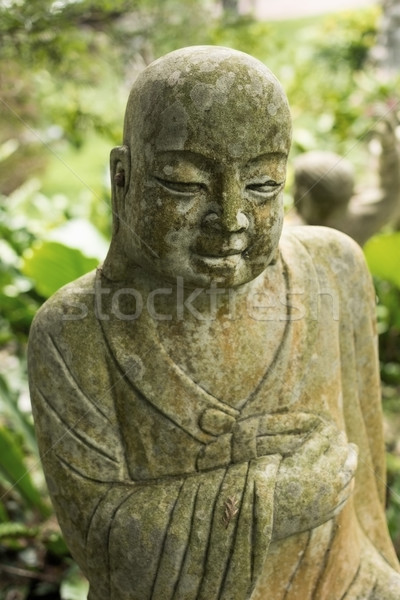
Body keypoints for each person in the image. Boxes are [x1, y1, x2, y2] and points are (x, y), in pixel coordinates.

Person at [28, 46, 400, 599]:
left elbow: (368, 489)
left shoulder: (333, 268)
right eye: (184, 184)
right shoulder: (76, 329)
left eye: (263, 185)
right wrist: (272, 498)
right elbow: (100, 540)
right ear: (123, 178)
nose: (230, 219)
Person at [289, 115, 400, 245]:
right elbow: (390, 192)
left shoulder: (291, 236)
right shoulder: (358, 223)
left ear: (305, 197)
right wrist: (389, 149)